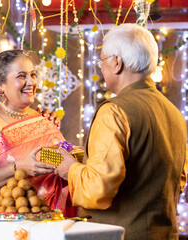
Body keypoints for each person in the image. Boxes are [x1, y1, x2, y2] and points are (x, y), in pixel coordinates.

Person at [54, 23, 188, 239]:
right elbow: (178, 181)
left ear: (117, 62)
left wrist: (70, 168)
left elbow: (98, 190)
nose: (101, 67)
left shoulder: (114, 111)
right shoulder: (174, 112)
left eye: (102, 61)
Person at [0, 50, 77, 217]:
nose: (31, 82)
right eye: (21, 76)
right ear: (0, 85)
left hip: (55, 214)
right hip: (12, 216)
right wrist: (19, 167)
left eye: (33, 75)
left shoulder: (43, 117)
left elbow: (62, 159)